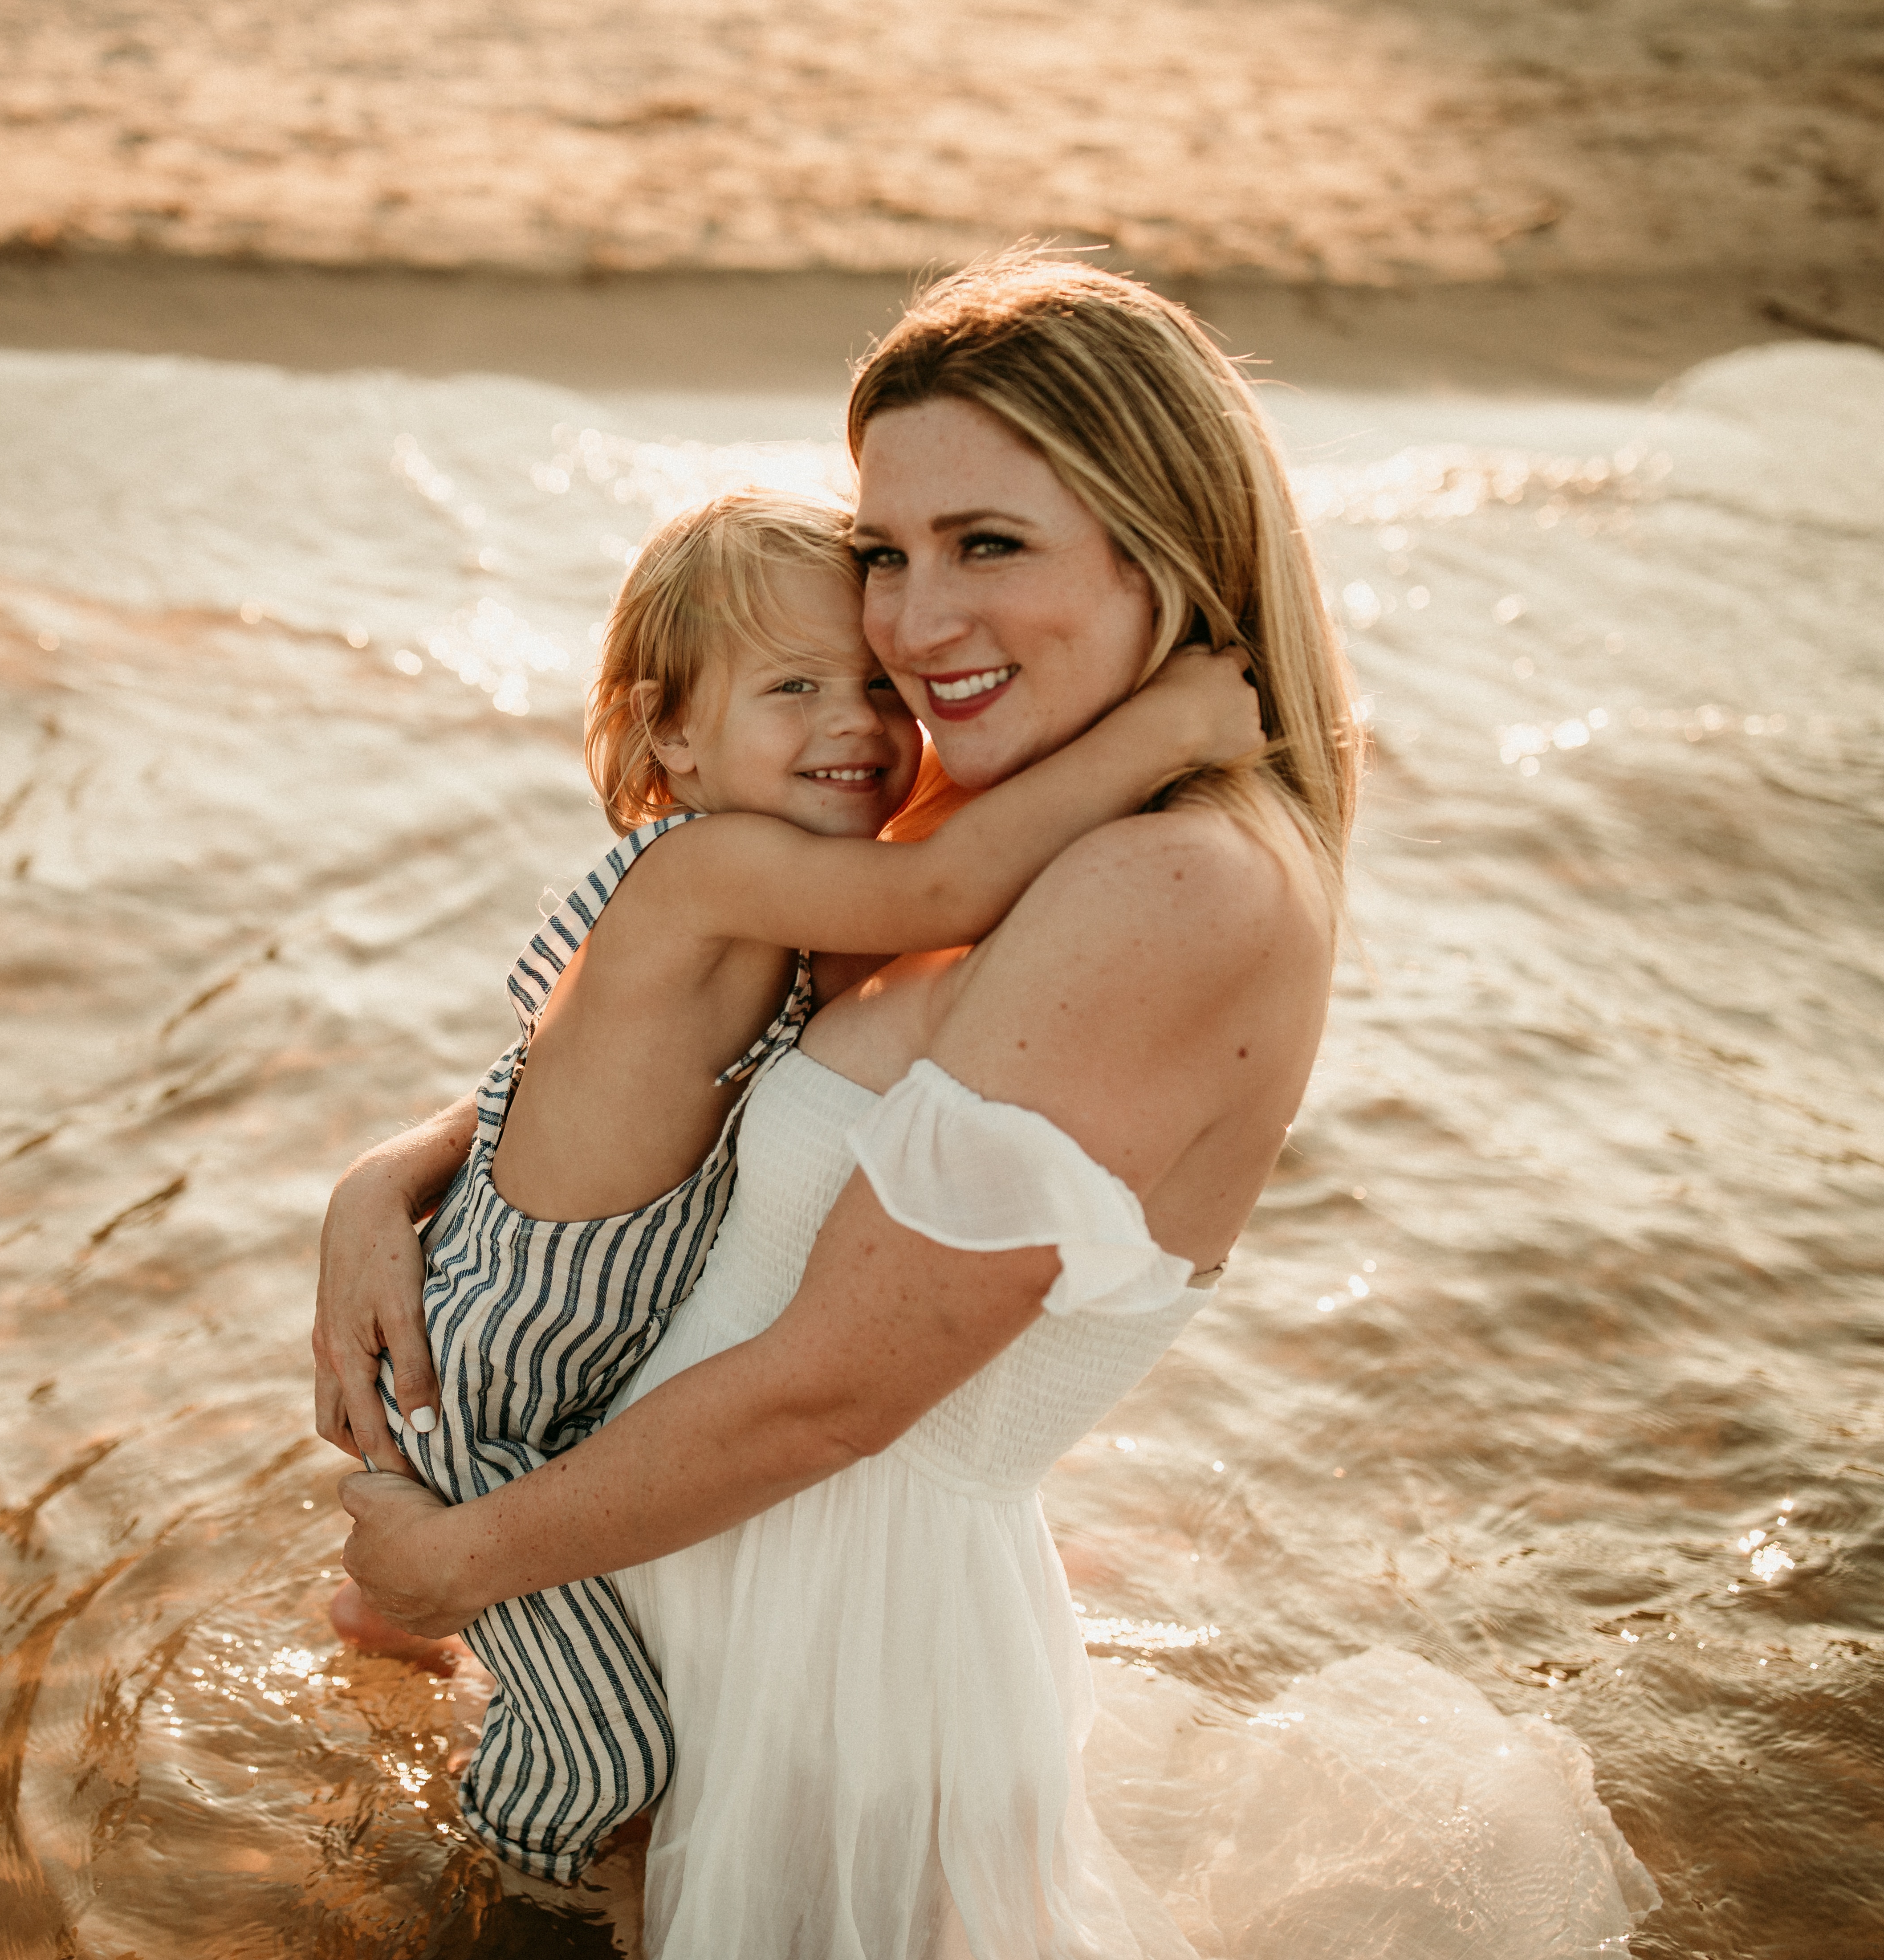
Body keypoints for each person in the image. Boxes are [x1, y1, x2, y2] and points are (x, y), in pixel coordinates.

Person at [312, 479, 1261, 1883]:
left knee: (565, 1650)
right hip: (497, 1382)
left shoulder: (782, 873)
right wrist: (1169, 728)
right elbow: (948, 892)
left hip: (570, 1351)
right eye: (793, 687)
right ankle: (491, 1881)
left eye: (879, 687)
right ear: (670, 737)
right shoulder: (706, 874)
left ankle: (394, 1642)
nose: (854, 725)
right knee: (610, 1754)